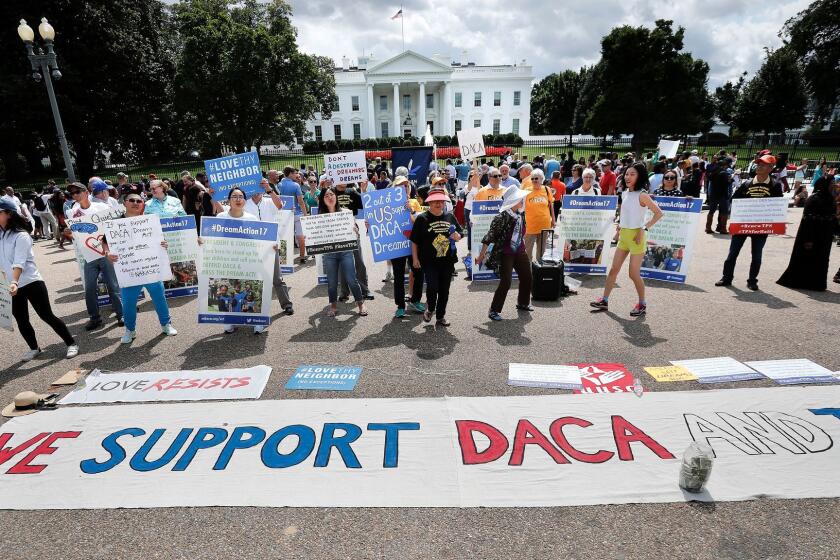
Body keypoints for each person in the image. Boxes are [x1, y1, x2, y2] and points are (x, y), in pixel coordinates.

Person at [0, 200, 78, 361]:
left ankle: (71, 343)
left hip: (31, 282)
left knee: (46, 315)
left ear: (8, 213)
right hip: (11, 285)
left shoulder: (21, 235)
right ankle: (34, 348)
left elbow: (19, 262)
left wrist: (14, 281)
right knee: (21, 319)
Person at [102, 194, 178, 344]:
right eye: (132, 200)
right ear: (124, 203)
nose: (136, 203)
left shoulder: (150, 221)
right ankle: (130, 330)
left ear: (143, 203)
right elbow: (104, 242)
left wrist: (164, 244)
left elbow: (160, 240)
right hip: (129, 272)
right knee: (129, 303)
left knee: (159, 298)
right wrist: (107, 253)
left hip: (150, 268)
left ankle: (166, 324)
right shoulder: (114, 224)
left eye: (139, 201)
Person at [590, 162, 663, 316]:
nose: (628, 177)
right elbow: (627, 213)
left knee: (633, 274)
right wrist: (620, 226)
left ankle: (642, 304)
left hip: (637, 238)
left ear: (640, 176)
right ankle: (604, 300)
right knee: (613, 270)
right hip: (624, 237)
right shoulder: (625, 193)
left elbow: (658, 213)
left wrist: (644, 229)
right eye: (627, 174)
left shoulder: (642, 195)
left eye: (632, 174)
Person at [715, 152, 784, 291]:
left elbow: (778, 206)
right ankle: (726, 278)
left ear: (771, 168)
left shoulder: (775, 185)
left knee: (756, 255)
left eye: (763, 165)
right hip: (742, 224)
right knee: (732, 253)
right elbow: (734, 200)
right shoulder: (746, 183)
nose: (759, 166)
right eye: (758, 164)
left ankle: (752, 281)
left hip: (761, 226)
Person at [67, 182, 124, 331]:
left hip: (106, 253)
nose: (75, 195)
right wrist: (68, 232)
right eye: (72, 193)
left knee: (113, 284)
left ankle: (121, 314)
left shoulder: (102, 208)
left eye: (77, 192)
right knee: (90, 288)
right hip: (88, 254)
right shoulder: (72, 212)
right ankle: (94, 318)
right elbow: (74, 234)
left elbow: (114, 225)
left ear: (86, 192)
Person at [475, 187, 533, 321]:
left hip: (520, 251)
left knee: (527, 277)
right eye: (520, 199)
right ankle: (494, 310)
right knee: (506, 282)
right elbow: (489, 237)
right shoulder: (501, 217)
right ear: (513, 201)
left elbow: (521, 232)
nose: (522, 201)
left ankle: (523, 303)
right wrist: (481, 255)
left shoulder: (520, 214)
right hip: (506, 253)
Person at [410, 187, 462, 326]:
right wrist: (415, 259)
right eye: (435, 202)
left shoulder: (449, 216)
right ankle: (430, 309)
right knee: (432, 287)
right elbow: (414, 241)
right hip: (429, 261)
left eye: (441, 201)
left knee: (444, 290)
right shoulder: (422, 218)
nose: (438, 204)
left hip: (447, 260)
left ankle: (440, 316)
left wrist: (458, 236)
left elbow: (460, 232)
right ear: (429, 203)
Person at [776, 177, 837, 291]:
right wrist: (808, 238)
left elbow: (833, 218)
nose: (833, 185)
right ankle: (800, 282)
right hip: (812, 235)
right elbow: (807, 221)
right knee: (806, 257)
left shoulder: (831, 198)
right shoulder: (813, 199)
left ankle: (816, 284)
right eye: (831, 183)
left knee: (821, 259)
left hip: (825, 236)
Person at [245, 178, 295, 315]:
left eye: (260, 186)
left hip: (271, 245)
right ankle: (254, 309)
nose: (257, 190)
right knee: (254, 278)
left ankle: (287, 304)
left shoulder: (269, 199)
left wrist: (269, 188)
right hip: (252, 247)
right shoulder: (244, 203)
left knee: (277, 278)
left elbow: (280, 205)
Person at [318, 187, 368, 317]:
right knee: (332, 282)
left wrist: (355, 231)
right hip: (330, 254)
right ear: (323, 200)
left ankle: (360, 304)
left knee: (352, 279)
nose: (330, 197)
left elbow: (355, 231)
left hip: (346, 251)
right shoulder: (320, 217)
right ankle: (333, 306)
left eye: (332, 194)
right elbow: (317, 235)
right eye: (326, 195)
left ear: (336, 197)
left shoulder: (346, 212)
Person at [390, 176, 425, 318]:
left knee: (418, 271)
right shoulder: (388, 204)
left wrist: (410, 211)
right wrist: (369, 225)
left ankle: (415, 299)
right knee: (398, 275)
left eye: (407, 185)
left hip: (413, 244)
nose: (405, 188)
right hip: (396, 245)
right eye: (401, 186)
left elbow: (421, 222)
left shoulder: (414, 202)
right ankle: (400, 306)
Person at [334, 182, 373, 301]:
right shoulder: (330, 192)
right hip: (336, 232)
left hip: (352, 229)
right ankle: (344, 292)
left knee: (359, 261)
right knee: (341, 262)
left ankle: (365, 290)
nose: (344, 181)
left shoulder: (352, 191)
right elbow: (323, 209)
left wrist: (364, 191)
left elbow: (365, 204)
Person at [522, 169, 555, 261]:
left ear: (541, 179)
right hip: (530, 226)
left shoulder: (547, 189)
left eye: (536, 178)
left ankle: (539, 269)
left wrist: (554, 220)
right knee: (528, 251)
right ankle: (528, 270)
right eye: (532, 179)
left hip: (544, 225)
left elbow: (551, 205)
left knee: (541, 250)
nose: (534, 180)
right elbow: (521, 208)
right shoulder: (526, 191)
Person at [705, 160, 732, 234]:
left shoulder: (713, 172)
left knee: (711, 211)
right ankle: (723, 228)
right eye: (726, 165)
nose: (727, 167)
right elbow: (727, 183)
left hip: (713, 194)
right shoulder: (724, 173)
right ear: (724, 165)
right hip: (722, 195)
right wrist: (730, 179)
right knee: (724, 212)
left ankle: (708, 227)